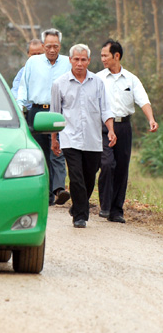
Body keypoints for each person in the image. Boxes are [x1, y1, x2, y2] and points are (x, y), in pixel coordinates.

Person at [50, 44, 116, 228]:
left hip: (93, 139)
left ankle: (78, 205)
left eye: (83, 59)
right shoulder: (59, 84)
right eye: (76, 59)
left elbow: (105, 110)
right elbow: (55, 114)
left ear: (88, 61)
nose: (80, 63)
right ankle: (80, 216)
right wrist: (54, 139)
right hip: (69, 137)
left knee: (89, 177)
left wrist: (110, 130)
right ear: (70, 60)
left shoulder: (97, 83)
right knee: (76, 176)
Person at [96, 39, 159, 223]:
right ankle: (105, 205)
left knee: (122, 168)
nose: (102, 59)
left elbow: (143, 100)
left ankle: (116, 210)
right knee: (107, 164)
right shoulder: (98, 78)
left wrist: (151, 119)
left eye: (105, 55)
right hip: (104, 127)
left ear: (117, 56)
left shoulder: (131, 79)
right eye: (101, 55)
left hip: (124, 127)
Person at [17, 28, 71, 206]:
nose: (52, 50)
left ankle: (59, 189)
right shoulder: (33, 62)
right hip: (37, 112)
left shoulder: (67, 63)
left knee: (58, 151)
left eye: (56, 46)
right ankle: (47, 194)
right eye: (48, 46)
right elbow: (23, 86)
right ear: (43, 45)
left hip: (58, 112)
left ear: (60, 46)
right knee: (40, 154)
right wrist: (19, 107)